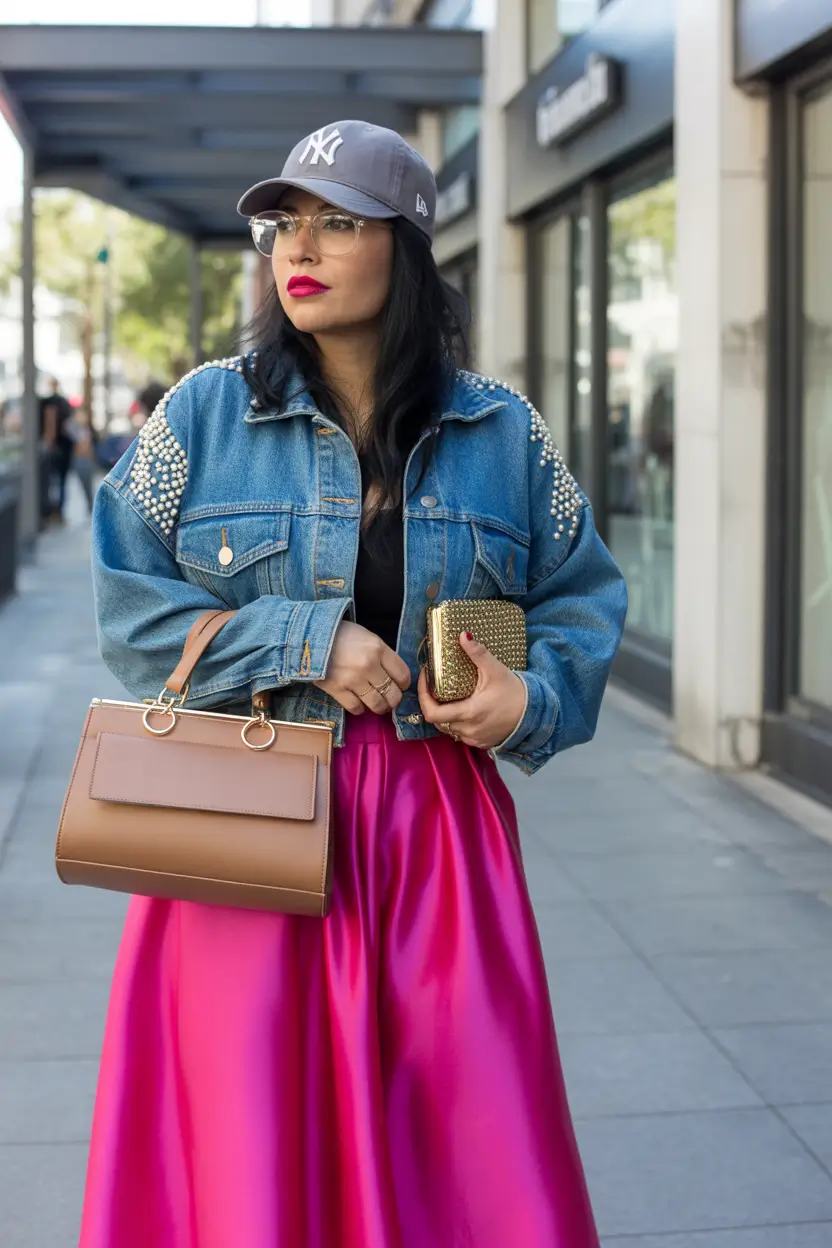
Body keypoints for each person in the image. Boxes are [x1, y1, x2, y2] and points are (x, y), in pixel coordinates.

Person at [81, 120, 627, 1248]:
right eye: (286, 224)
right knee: (249, 1139)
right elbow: (128, 613)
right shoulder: (202, 414)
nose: (300, 247)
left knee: (465, 1138)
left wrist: (530, 700)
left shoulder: (503, 433)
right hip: (240, 823)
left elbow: (582, 595)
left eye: (338, 221)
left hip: (436, 834)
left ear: (408, 248)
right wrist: (302, 643)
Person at [38, 377, 73, 525]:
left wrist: (49, 443)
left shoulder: (50, 402)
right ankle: (59, 512)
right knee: (61, 481)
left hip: (55, 447)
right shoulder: (64, 402)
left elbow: (50, 421)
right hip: (65, 447)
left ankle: (51, 512)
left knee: (52, 481)